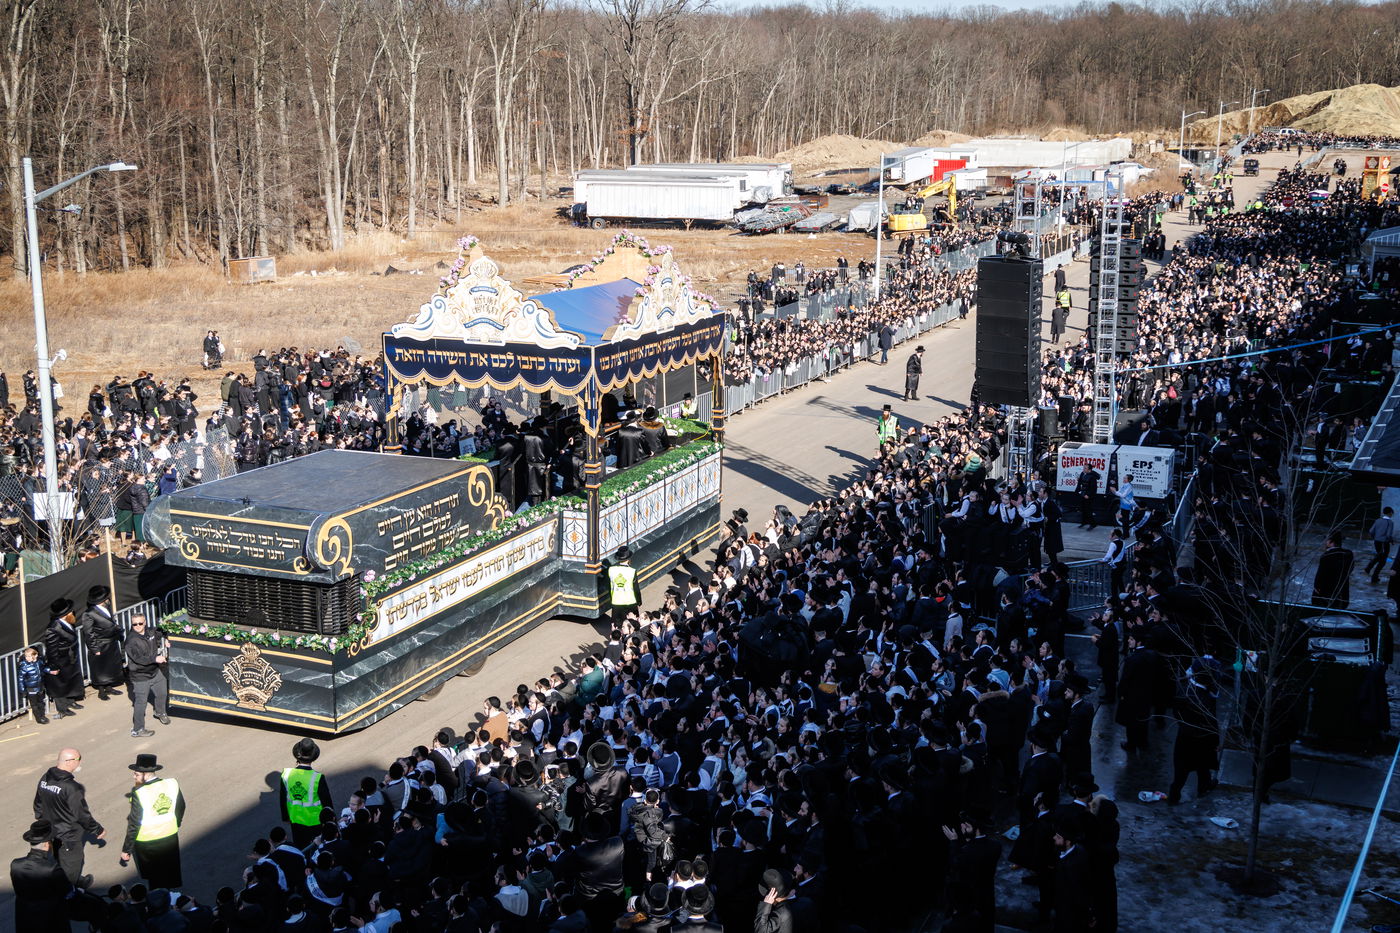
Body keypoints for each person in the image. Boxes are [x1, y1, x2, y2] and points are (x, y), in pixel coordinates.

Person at [33, 747, 102, 888]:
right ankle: (71, 889)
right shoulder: (71, 787)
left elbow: (38, 802)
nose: (79, 762)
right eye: (78, 759)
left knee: (59, 858)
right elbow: (81, 814)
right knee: (72, 862)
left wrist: (41, 820)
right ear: (69, 762)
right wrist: (97, 830)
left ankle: (74, 879)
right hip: (68, 835)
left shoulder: (45, 778)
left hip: (52, 831)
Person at [122, 753, 185, 889]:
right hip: (170, 837)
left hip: (147, 844)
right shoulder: (171, 784)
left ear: (145, 774)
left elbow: (134, 823)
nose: (134, 777)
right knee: (169, 875)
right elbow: (181, 807)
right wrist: (176, 823)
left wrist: (126, 849)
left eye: (136, 774)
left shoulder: (139, 793)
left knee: (155, 881)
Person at [1167, 667, 1219, 805]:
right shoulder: (1206, 698)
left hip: (1185, 737)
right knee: (1202, 765)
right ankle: (1203, 788)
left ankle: (1174, 796)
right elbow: (1211, 723)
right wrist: (1216, 742)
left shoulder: (1185, 691)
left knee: (1181, 771)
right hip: (1201, 739)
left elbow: (1176, 711)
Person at [10, 820, 71, 933]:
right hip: (50, 918)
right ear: (47, 844)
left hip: (25, 916)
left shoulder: (15, 864)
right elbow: (67, 891)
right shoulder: (52, 868)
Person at [123, 613, 170, 738]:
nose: (137, 626)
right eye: (134, 624)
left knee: (162, 693)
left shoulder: (151, 631)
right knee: (140, 703)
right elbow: (138, 659)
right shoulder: (130, 641)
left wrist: (166, 641)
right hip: (140, 676)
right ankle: (137, 729)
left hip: (155, 671)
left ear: (145, 622)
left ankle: (160, 712)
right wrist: (155, 658)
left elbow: (163, 632)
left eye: (140, 623)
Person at [280, 738, 333, 848]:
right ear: (313, 758)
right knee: (317, 847)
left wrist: (286, 817)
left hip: (295, 819)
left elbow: (283, 798)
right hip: (315, 821)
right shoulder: (317, 777)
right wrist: (331, 820)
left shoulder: (286, 774)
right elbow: (326, 801)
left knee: (301, 847)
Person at [80, 585, 125, 702]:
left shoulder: (107, 608)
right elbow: (88, 633)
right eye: (106, 598)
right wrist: (95, 648)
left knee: (110, 667)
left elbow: (110, 622)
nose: (108, 599)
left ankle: (109, 687)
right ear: (102, 600)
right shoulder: (89, 614)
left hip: (111, 642)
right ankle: (101, 691)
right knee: (100, 669)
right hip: (100, 644)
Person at [42, 599, 84, 720]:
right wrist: (54, 666)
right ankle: (62, 708)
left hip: (69, 657)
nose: (73, 613)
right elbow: (52, 649)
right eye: (71, 611)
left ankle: (71, 700)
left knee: (71, 679)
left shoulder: (68, 622)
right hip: (60, 659)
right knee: (59, 684)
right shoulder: (53, 628)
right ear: (66, 614)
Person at [1311, 533, 1354, 609]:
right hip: (1342, 594)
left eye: (1327, 540)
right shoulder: (1348, 555)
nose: (1325, 542)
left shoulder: (1326, 556)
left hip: (1326, 594)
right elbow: (1350, 570)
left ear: (1331, 542)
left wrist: (1317, 588)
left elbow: (1320, 575)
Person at [607, 547, 639, 628]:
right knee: (631, 624)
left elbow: (610, 586)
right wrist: (639, 601)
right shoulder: (632, 571)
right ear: (628, 559)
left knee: (617, 625)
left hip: (616, 601)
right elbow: (636, 588)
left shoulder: (611, 570)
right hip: (630, 601)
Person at [1366, 506, 1394, 585]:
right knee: (1383, 561)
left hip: (1377, 542)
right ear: (1390, 513)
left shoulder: (1378, 520)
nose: (1392, 515)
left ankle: (1370, 570)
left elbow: (1371, 531)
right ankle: (1373, 575)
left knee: (1380, 556)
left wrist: (1375, 537)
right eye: (1392, 513)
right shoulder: (1390, 523)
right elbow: (1388, 535)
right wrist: (1391, 540)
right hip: (1384, 543)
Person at [20, 645, 47, 724]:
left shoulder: (39, 662)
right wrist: (23, 690)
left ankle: (42, 716)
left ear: (36, 655)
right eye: (26, 656)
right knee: (34, 705)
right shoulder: (24, 666)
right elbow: (21, 679)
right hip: (30, 689)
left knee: (41, 703)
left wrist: (50, 671)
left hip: (39, 687)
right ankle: (39, 719)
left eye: (30, 656)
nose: (28, 658)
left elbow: (43, 669)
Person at [1074, 463, 1099, 529]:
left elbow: (1093, 488)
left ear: (1089, 470)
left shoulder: (1092, 477)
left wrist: (1088, 495)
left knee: (1088, 510)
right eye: (1083, 468)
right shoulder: (1083, 474)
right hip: (1082, 494)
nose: (1083, 469)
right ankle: (1084, 522)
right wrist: (1077, 490)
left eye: (1085, 468)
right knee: (1083, 509)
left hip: (1088, 496)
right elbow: (1080, 483)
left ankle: (1093, 524)